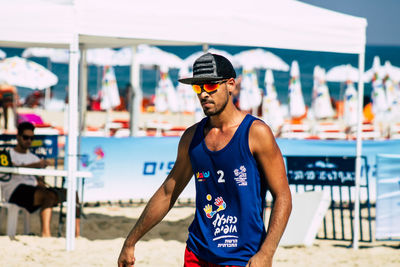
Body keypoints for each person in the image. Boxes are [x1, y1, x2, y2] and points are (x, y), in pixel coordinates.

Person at [118, 53, 292, 267]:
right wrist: (131, 241)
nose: (203, 94)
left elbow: (283, 196)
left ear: (230, 85)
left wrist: (267, 253)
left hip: (242, 256)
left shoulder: (256, 133)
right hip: (197, 254)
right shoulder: (192, 137)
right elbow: (167, 193)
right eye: (198, 87)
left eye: (210, 86)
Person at [0, 122, 80, 237]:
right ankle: (46, 234)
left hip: (33, 190)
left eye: (31, 138)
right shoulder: (8, 155)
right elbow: (11, 168)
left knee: (73, 194)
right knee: (47, 196)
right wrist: (35, 165)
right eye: (26, 137)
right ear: (18, 137)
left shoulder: (34, 157)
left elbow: (40, 181)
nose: (29, 141)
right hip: (14, 191)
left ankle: (76, 235)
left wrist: (40, 179)